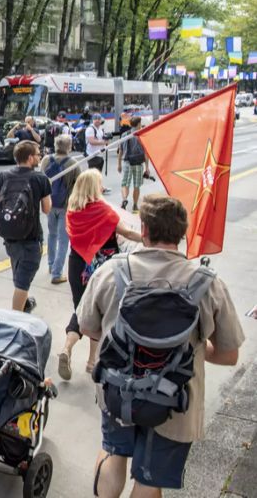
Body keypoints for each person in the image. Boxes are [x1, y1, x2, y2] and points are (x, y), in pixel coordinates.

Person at [78, 194, 244, 498]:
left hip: (118, 391)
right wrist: (193, 350)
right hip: (176, 403)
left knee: (113, 453)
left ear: (144, 228)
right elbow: (229, 354)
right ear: (183, 233)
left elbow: (88, 328)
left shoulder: (111, 272)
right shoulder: (207, 284)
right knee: (148, 479)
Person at [60, 169, 141, 381]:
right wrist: (150, 238)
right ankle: (91, 361)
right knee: (100, 312)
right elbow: (128, 233)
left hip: (77, 265)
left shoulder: (73, 211)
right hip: (102, 268)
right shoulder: (102, 210)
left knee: (81, 309)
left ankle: (67, 348)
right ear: (94, 187)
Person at [0, 140, 51, 312]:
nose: (39, 157)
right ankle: (15, 318)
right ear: (30, 158)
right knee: (23, 282)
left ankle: (24, 304)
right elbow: (46, 209)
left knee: (18, 271)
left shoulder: (4, 176)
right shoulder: (40, 179)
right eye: (37, 154)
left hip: (10, 236)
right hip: (31, 237)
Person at [40, 134, 80, 284]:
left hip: (49, 203)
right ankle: (57, 273)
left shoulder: (45, 160)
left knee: (52, 235)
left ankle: (51, 265)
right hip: (65, 205)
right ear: (69, 147)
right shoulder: (73, 163)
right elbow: (79, 185)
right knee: (64, 240)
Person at [117, 116, 149, 213]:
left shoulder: (124, 135)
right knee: (136, 185)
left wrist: (119, 164)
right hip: (138, 164)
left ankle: (124, 199)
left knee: (125, 184)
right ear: (138, 124)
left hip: (127, 162)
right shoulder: (142, 135)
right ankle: (135, 206)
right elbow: (146, 153)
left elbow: (120, 151)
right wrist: (147, 167)